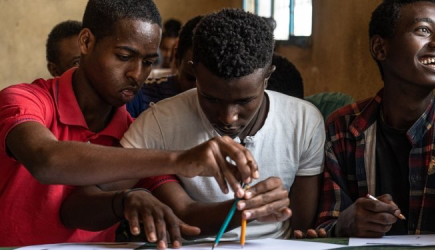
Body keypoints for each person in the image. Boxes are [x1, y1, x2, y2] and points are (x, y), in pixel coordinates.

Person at [0, 0, 257, 247]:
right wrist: (179, 159)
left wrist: (250, 206)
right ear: (86, 42)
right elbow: (46, 160)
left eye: (148, 62)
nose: (137, 74)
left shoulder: (136, 133)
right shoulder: (25, 100)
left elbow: (186, 212)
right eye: (124, 56)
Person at [120, 8, 325, 240]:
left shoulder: (303, 121)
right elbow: (183, 215)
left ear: (268, 75)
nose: (228, 118)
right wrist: (249, 208)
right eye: (211, 98)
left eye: (244, 101)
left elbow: (301, 226)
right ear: (194, 71)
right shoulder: (158, 122)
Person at [316, 0, 435, 239]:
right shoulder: (341, 130)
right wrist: (343, 225)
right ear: (380, 48)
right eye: (423, 30)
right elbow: (324, 225)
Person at [126, 15, 202, 118]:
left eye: (207, 82)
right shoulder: (141, 95)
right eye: (190, 78)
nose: (196, 89)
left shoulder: (221, 106)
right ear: (176, 58)